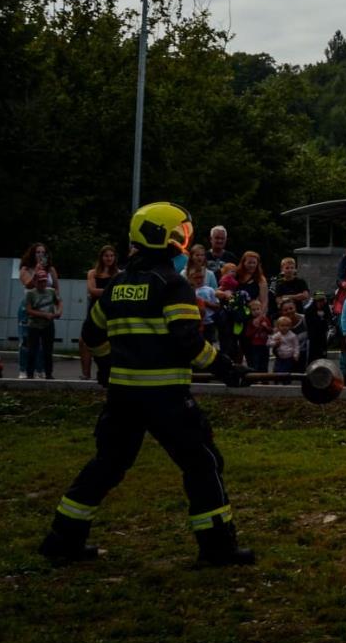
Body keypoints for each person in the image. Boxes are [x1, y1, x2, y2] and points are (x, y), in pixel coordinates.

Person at [39, 202, 254, 566]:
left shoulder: (118, 285)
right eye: (179, 234)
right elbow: (188, 342)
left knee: (107, 465)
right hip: (167, 398)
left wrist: (108, 365)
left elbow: (92, 332)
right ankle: (217, 547)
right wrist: (227, 369)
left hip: (123, 397)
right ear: (162, 236)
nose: (184, 240)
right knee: (203, 464)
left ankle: (63, 538)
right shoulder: (172, 285)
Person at [83, 246, 121, 380]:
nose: (109, 258)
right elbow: (92, 290)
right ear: (101, 257)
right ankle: (86, 373)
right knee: (86, 340)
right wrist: (110, 291)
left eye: (111, 255)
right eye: (106, 256)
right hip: (94, 309)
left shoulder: (119, 274)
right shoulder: (92, 273)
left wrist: (102, 291)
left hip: (111, 310)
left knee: (110, 341)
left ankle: (108, 372)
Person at [23, 268, 62, 379]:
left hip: (48, 325)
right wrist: (43, 315)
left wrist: (59, 311)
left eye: (44, 281)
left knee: (48, 351)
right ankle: (29, 373)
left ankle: (49, 373)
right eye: (40, 281)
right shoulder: (31, 294)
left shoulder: (51, 291)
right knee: (32, 350)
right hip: (34, 325)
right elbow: (28, 310)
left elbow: (59, 301)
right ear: (35, 282)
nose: (42, 284)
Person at [304, 292, 333, 365]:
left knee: (322, 356)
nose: (321, 303)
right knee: (312, 357)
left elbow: (329, 321)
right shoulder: (309, 310)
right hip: (312, 338)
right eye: (318, 301)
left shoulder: (326, 310)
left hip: (322, 337)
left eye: (322, 300)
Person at [269, 316, 301, 382]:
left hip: (288, 357)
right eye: (282, 325)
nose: (284, 327)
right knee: (277, 369)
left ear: (290, 326)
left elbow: (296, 346)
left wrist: (296, 354)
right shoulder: (277, 335)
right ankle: (277, 381)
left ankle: (286, 381)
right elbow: (269, 343)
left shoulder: (292, 336)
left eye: (287, 325)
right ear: (278, 326)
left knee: (287, 371)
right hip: (279, 357)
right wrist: (275, 343)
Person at [245, 303, 273, 373]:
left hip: (264, 345)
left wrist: (266, 327)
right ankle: (255, 379)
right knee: (255, 363)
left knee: (265, 362)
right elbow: (248, 334)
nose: (256, 311)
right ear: (250, 312)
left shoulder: (265, 319)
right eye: (253, 310)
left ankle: (264, 379)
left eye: (258, 309)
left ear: (261, 310)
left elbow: (271, 331)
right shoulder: (250, 321)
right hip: (255, 346)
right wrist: (256, 328)